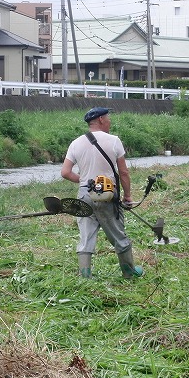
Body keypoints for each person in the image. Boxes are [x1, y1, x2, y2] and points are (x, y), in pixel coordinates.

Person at [61, 107, 143, 279]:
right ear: (100, 120)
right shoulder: (114, 141)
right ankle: (129, 273)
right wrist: (128, 196)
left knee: (86, 236)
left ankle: (85, 277)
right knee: (118, 234)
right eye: (108, 118)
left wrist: (83, 181)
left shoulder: (75, 143)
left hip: (84, 195)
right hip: (106, 194)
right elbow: (124, 172)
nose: (110, 121)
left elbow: (65, 172)